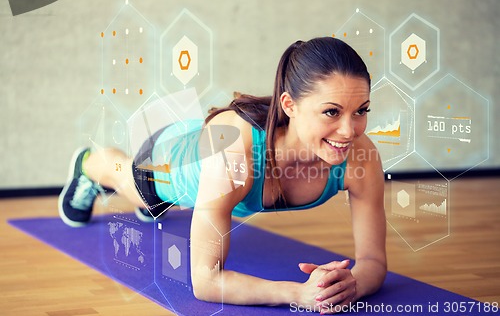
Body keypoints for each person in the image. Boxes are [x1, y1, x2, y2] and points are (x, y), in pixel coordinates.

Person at [58, 37, 386, 314]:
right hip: (169, 160)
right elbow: (205, 281)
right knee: (138, 190)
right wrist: (297, 293)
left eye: (361, 110)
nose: (349, 130)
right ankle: (89, 165)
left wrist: (348, 286)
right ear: (289, 105)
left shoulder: (361, 155)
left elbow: (372, 261)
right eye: (332, 111)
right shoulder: (235, 155)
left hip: (213, 152)